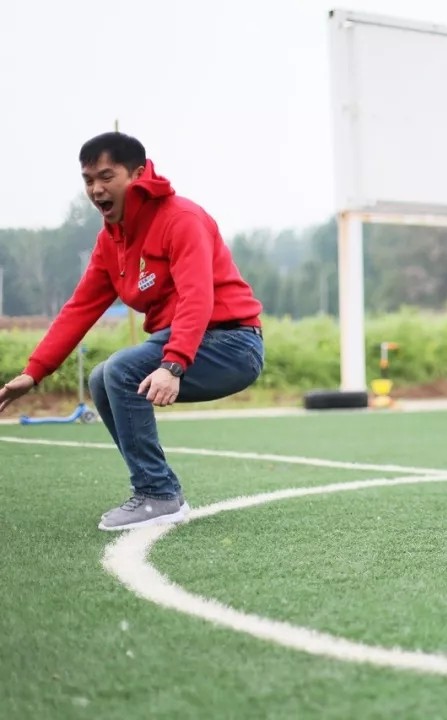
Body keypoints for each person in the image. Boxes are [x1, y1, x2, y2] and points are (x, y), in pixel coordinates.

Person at [0, 132, 265, 532]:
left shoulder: (181, 219)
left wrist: (173, 365)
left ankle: (158, 494)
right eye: (88, 179)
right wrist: (34, 372)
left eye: (106, 176)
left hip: (233, 342)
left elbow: (197, 297)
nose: (96, 189)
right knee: (101, 379)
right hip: (180, 339)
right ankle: (158, 490)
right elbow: (79, 309)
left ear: (138, 174)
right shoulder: (111, 241)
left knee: (121, 370)